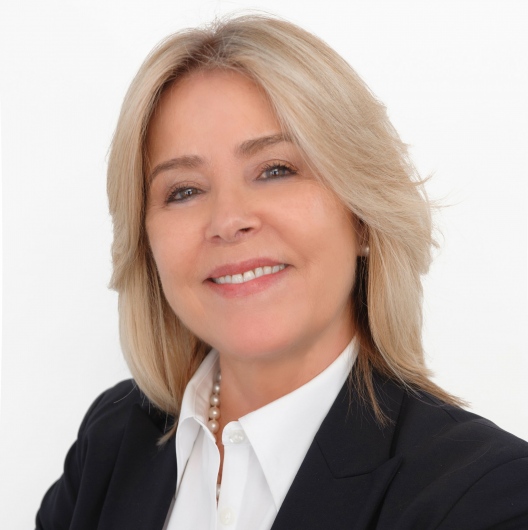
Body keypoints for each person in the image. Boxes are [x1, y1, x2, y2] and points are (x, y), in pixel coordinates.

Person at [36, 14, 528, 530]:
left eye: (276, 170)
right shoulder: (111, 442)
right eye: (183, 190)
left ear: (362, 216)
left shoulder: (489, 498)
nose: (228, 221)